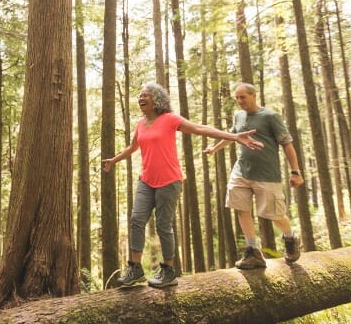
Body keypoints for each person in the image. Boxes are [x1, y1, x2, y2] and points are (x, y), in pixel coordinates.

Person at [102, 82, 263, 288]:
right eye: (140, 96)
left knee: (163, 225)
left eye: (146, 95)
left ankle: (168, 270)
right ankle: (135, 268)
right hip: (146, 180)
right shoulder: (140, 124)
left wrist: (233, 137)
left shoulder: (170, 119)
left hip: (169, 181)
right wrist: (114, 160)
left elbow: (199, 128)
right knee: (136, 220)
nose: (141, 99)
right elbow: (133, 147)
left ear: (157, 99)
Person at [204, 83, 303, 269]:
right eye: (237, 98)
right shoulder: (239, 116)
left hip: (266, 174)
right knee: (241, 208)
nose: (240, 101)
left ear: (254, 95)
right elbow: (233, 135)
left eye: (243, 97)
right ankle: (253, 251)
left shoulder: (270, 116)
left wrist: (295, 171)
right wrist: (215, 148)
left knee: (275, 214)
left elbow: (287, 144)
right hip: (241, 171)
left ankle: (290, 238)